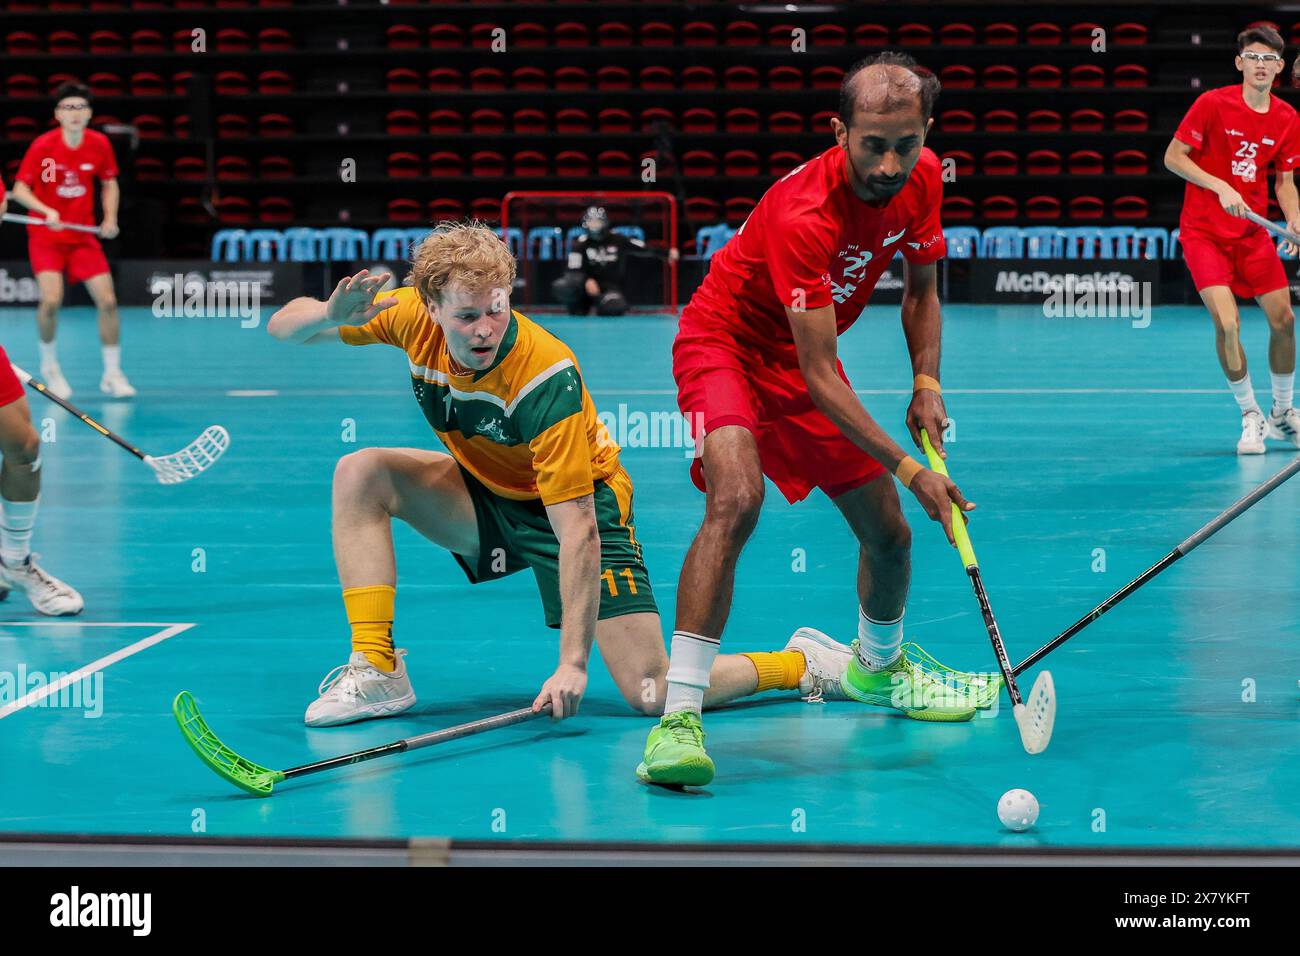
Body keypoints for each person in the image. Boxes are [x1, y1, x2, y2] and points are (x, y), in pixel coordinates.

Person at [266, 222, 869, 744]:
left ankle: (800, 664)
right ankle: (378, 667)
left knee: (651, 690)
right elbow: (281, 328)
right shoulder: (405, 318)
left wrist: (572, 665)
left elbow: (577, 529)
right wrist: (326, 314)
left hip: (584, 510)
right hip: (488, 492)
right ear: (430, 308)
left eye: (497, 308)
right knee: (362, 472)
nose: (485, 329)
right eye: (467, 315)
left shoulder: (542, 374)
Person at [641, 52, 988, 787]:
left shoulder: (923, 180)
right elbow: (821, 374)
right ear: (840, 132)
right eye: (874, 145)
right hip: (727, 343)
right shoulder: (805, 212)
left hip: (802, 359)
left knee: (889, 534)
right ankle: (679, 715)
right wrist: (912, 466)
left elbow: (921, 289)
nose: (892, 164)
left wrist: (926, 378)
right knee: (736, 498)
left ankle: (876, 669)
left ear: (927, 133)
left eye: (908, 143)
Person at [1165, 23, 1300, 454]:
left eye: (1269, 59)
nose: (1261, 65)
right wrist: (1219, 186)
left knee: (1285, 320)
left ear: (1279, 67)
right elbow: (1172, 157)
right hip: (1204, 232)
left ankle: (1282, 412)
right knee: (1227, 323)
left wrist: (1294, 219)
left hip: (1253, 233)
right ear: (1240, 63)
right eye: (1253, 58)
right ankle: (1250, 414)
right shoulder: (1212, 104)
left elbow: (1285, 181)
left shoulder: (1287, 118)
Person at [10, 82, 133, 400]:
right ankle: (50, 368)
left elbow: (109, 183)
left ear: (89, 113)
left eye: (80, 107)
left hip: (83, 237)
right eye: (68, 108)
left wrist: (110, 218)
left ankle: (113, 373)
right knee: (51, 300)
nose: (75, 113)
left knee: (107, 301)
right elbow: (21, 190)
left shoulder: (99, 144)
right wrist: (45, 209)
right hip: (46, 235)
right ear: (57, 114)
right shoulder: (44, 147)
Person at [550, 207, 677, 316]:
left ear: (604, 222)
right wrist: (586, 280)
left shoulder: (618, 239)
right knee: (563, 285)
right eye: (591, 222)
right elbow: (572, 269)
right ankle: (579, 307)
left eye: (597, 221)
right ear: (585, 223)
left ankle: (601, 305)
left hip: (609, 288)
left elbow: (643, 247)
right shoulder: (580, 244)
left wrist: (667, 253)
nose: (594, 225)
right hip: (585, 289)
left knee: (615, 306)